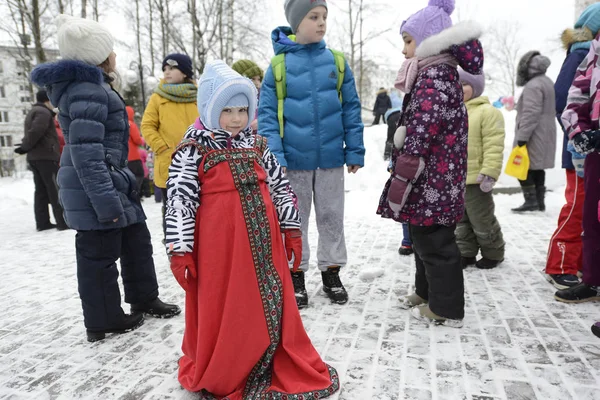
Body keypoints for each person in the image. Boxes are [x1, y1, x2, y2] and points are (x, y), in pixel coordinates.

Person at [165, 60, 339, 398]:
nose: (235, 118)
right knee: (231, 309)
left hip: (265, 249)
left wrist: (291, 230)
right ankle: (231, 363)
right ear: (209, 109)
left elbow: (280, 189)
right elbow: (179, 201)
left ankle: (270, 354)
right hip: (222, 253)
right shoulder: (193, 150)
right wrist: (180, 248)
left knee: (268, 306)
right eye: (226, 109)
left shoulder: (258, 146)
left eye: (242, 109)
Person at [31, 14, 180, 343]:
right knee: (98, 254)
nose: (115, 56)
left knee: (135, 241)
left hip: (115, 178)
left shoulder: (94, 87)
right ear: (98, 57)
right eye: (110, 50)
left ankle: (143, 296)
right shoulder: (86, 91)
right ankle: (103, 319)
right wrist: (105, 200)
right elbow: (86, 153)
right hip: (95, 185)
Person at [377, 0, 484, 327]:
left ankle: (447, 308)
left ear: (429, 40)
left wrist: (406, 168)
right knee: (424, 239)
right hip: (432, 177)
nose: (404, 49)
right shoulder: (432, 72)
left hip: (432, 177)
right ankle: (426, 293)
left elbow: (423, 128)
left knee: (437, 244)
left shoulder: (435, 76)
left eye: (408, 41)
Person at [258, 0, 365, 309]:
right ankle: (296, 275)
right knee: (295, 220)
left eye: (324, 17)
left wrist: (354, 149)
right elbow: (267, 116)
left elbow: (351, 109)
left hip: (331, 158)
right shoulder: (278, 67)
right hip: (293, 162)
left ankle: (332, 272)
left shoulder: (337, 62)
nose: (321, 23)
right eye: (313, 17)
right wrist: (275, 156)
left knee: (332, 218)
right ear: (296, 23)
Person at [545, 3, 600, 290]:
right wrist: (577, 137)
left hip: (590, 147)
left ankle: (582, 264)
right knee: (577, 208)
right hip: (581, 149)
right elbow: (563, 98)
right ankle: (560, 264)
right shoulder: (583, 53)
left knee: (590, 213)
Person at [141, 53, 199, 241]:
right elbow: (147, 126)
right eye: (164, 68)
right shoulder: (158, 97)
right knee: (172, 208)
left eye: (172, 68)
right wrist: (162, 148)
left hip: (198, 161)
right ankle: (174, 246)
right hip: (170, 162)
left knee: (200, 206)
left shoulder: (198, 94)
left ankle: (200, 244)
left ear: (184, 72)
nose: (167, 72)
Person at [456, 69, 506, 270]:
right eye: (457, 85)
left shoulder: (488, 112)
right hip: (455, 178)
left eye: (465, 85)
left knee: (481, 219)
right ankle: (465, 252)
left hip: (477, 178)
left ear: (476, 87)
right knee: (460, 219)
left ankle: (494, 253)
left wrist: (490, 172)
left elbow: (494, 145)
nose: (460, 89)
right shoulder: (454, 111)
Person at [14, 89, 68, 231]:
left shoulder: (34, 111)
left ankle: (43, 223)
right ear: (47, 100)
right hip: (46, 157)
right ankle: (63, 222)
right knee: (54, 189)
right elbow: (36, 131)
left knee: (41, 191)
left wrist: (25, 147)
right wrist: (25, 146)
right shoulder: (43, 112)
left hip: (36, 157)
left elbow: (34, 133)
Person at [511, 51, 557, 213]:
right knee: (538, 167)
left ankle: (531, 201)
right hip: (546, 131)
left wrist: (522, 137)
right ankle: (539, 201)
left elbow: (531, 113)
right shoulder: (547, 82)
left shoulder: (533, 85)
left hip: (534, 132)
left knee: (520, 165)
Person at [231, 59, 263, 132]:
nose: (257, 83)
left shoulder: (264, 97)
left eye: (259, 79)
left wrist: (263, 122)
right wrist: (248, 127)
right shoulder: (230, 101)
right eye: (253, 79)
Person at [126, 106, 144, 196]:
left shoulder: (120, 123)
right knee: (139, 175)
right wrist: (141, 140)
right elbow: (137, 140)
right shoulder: (131, 125)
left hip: (124, 157)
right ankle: (134, 193)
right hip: (134, 156)